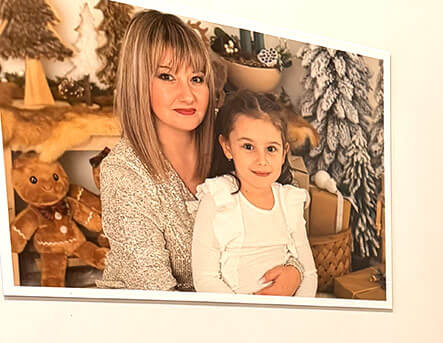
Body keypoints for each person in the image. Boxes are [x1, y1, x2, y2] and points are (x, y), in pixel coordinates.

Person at [98, 11, 214, 292]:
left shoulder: (229, 144)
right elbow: (158, 298)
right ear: (138, 83)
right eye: (167, 76)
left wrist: (294, 271)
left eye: (197, 78)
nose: (188, 95)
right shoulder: (123, 173)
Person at [192, 90, 317, 297]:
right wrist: (245, 312)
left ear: (284, 152)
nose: (261, 160)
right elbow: (205, 278)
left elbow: (309, 273)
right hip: (233, 312)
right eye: (248, 146)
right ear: (227, 147)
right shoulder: (218, 198)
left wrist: (298, 310)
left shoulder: (289, 202)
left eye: (271, 149)